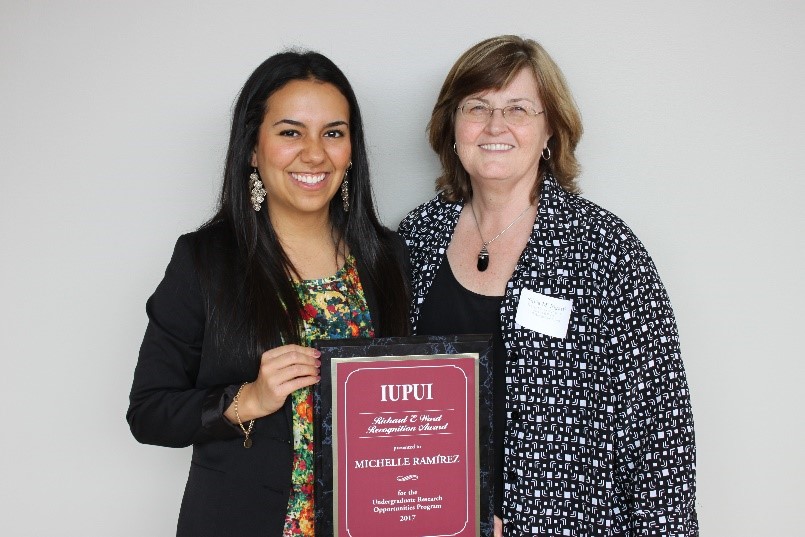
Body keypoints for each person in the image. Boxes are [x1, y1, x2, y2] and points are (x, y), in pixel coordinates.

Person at [398, 35, 697, 536]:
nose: (496, 126)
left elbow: (659, 438)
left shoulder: (604, 250)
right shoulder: (415, 239)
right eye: (478, 107)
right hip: (434, 525)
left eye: (519, 109)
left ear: (550, 131)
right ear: (452, 127)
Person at [127, 51, 409, 537]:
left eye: (333, 133)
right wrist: (248, 400)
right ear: (253, 149)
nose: (315, 153)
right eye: (290, 132)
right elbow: (149, 412)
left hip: (367, 522)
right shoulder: (204, 260)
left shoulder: (386, 256)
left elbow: (406, 410)